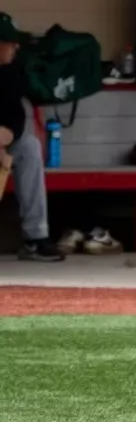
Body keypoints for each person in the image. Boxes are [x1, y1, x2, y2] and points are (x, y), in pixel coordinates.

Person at [0, 14, 54, 262]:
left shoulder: (11, 70)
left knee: (29, 146)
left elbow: (15, 116)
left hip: (2, 142)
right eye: (9, 42)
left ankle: (35, 238)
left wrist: (6, 137)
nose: (16, 47)